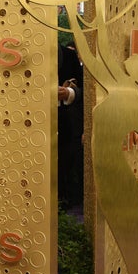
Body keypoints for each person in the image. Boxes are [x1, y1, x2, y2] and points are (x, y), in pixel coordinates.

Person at [57, 42, 84, 210]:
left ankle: (63, 202)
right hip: (24, 125)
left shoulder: (68, 55)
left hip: (65, 126)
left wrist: (69, 93)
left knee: (65, 164)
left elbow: (84, 91)